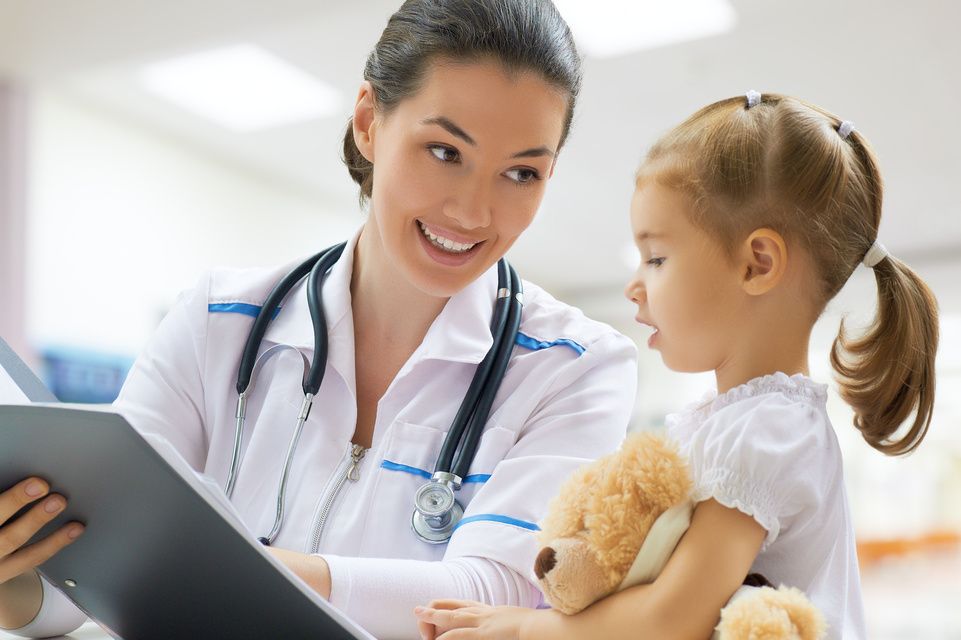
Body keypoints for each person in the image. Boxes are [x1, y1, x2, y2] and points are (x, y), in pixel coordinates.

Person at [0, 2, 639, 638]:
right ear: (368, 121)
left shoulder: (576, 367)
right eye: (445, 151)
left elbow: (497, 592)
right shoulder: (215, 321)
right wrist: (15, 574)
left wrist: (213, 568)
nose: (473, 212)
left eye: (521, 173)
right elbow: (89, 571)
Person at [414, 91, 940, 639]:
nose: (634, 286)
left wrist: (524, 629)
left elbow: (671, 618)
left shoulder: (767, 429)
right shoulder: (744, 421)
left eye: (657, 258)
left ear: (757, 264)